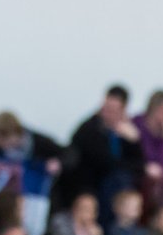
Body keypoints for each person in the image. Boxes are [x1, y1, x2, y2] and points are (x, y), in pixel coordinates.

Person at [56, 85, 146, 225]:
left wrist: (135, 142)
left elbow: (140, 165)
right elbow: (107, 163)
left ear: (123, 111)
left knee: (125, 180)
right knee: (120, 178)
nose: (107, 114)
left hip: (112, 182)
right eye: (106, 108)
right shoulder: (89, 129)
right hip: (89, 183)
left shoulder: (125, 131)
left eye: (114, 110)